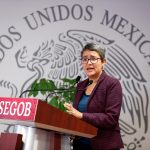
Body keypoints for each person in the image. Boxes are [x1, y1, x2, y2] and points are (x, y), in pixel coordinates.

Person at [64, 43, 124, 150]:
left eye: (93, 59)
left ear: (103, 62)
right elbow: (77, 116)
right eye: (85, 59)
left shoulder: (112, 84)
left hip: (103, 145)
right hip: (80, 144)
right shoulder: (81, 85)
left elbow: (111, 118)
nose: (89, 63)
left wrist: (82, 115)